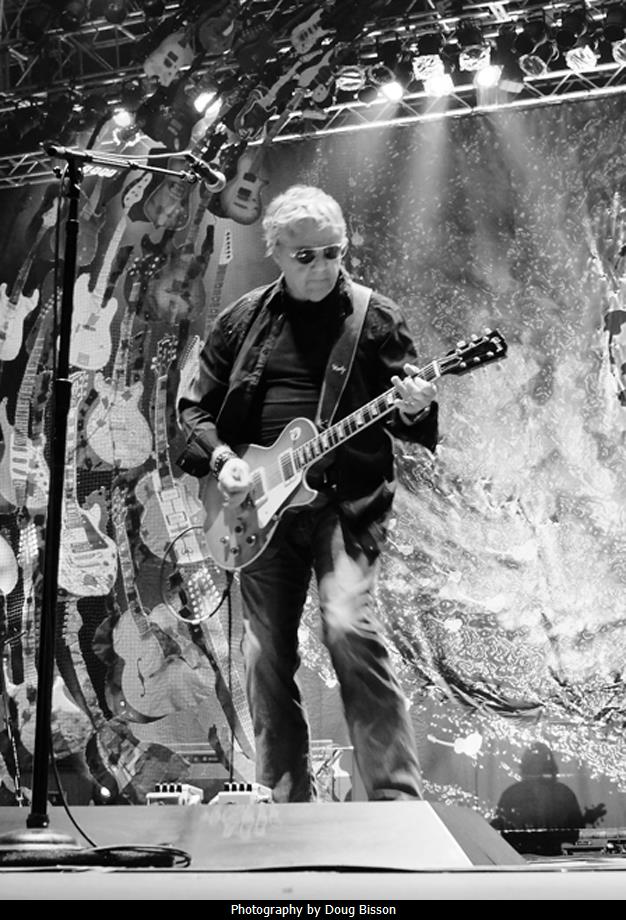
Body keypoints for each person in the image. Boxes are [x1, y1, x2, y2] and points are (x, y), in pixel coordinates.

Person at [176, 184, 439, 803]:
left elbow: (410, 417)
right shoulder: (242, 320)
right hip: (255, 507)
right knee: (264, 655)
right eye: (306, 256)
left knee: (348, 626)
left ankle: (396, 801)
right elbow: (193, 410)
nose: (322, 267)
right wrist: (223, 460)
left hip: (344, 507)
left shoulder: (375, 318)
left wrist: (416, 404)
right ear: (275, 251)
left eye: (333, 252)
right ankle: (284, 802)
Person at [491, 742, 606, 855]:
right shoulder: (512, 795)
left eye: (542, 764)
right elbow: (500, 833)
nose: (539, 769)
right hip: (522, 860)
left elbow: (574, 834)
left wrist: (586, 820)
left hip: (551, 860)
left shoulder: (563, 794)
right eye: (534, 764)